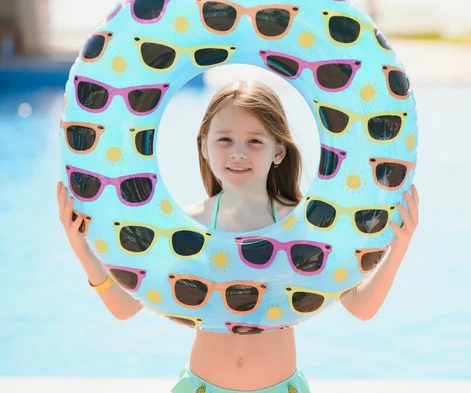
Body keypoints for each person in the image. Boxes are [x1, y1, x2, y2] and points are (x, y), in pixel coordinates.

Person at [56, 80, 420, 392]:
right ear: (204, 146)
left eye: (255, 141)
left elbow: (360, 306)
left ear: (279, 150)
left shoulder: (306, 225)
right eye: (225, 139)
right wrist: (81, 249)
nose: (238, 153)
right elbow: (127, 306)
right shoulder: (188, 227)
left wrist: (399, 247)